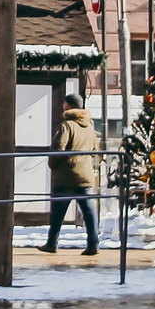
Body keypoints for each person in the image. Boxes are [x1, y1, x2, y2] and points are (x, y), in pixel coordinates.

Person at [45, 96, 101, 255]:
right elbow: (95, 150)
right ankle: (93, 244)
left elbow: (58, 148)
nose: (62, 105)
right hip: (85, 176)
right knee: (89, 211)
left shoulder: (66, 126)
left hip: (66, 175)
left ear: (69, 106)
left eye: (64, 103)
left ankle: (51, 243)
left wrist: (52, 163)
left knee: (57, 212)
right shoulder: (89, 125)